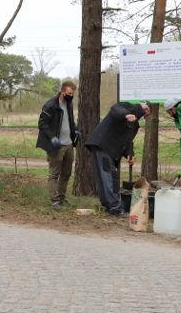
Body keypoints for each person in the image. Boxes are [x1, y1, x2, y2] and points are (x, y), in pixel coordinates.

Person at [84, 101, 150, 215]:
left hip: (112, 150)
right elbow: (115, 110)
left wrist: (130, 155)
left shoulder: (134, 125)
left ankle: (109, 205)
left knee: (112, 177)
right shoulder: (125, 107)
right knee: (106, 176)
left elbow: (128, 141)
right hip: (103, 145)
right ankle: (114, 206)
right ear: (145, 108)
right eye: (146, 113)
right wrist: (126, 115)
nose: (145, 117)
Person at [36, 80, 78, 209]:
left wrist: (75, 130)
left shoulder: (69, 104)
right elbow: (42, 124)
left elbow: (69, 120)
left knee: (66, 174)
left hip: (69, 145)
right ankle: (54, 200)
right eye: (69, 93)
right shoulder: (50, 105)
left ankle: (61, 198)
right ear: (62, 91)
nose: (71, 96)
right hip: (56, 146)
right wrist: (52, 137)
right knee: (54, 174)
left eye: (73, 94)